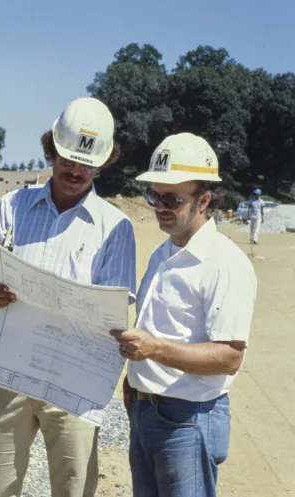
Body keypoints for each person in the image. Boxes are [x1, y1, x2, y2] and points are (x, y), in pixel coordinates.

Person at [0, 97, 137, 497]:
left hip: (75, 382)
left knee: (73, 488)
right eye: (67, 160)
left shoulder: (115, 228)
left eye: (87, 163)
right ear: (51, 150)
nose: (76, 170)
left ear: (104, 162)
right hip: (12, 371)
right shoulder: (13, 206)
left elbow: (112, 314)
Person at [112, 133, 257, 497]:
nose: (160, 206)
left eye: (172, 199)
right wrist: (136, 381)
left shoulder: (224, 263)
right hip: (146, 412)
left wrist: (154, 351)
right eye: (154, 196)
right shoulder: (165, 252)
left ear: (204, 200)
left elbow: (229, 356)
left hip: (188, 422)